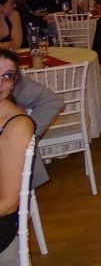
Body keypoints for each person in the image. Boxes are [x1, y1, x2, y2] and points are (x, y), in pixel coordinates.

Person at [0, 49, 35, 263]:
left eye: (7, 75)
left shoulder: (16, 126)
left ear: (14, 83)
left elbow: (8, 204)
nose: (0, 82)